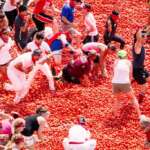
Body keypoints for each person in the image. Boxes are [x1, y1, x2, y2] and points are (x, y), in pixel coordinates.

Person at [112, 50, 141, 118]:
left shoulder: (115, 62)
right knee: (133, 98)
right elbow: (130, 75)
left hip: (115, 82)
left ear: (118, 56)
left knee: (118, 99)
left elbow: (114, 73)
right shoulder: (128, 62)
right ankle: (139, 115)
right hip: (124, 82)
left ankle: (115, 115)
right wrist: (129, 84)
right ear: (125, 56)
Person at [132, 28, 150, 102]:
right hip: (137, 71)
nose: (146, 39)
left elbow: (142, 34)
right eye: (145, 38)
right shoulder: (138, 45)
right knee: (144, 86)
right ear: (140, 38)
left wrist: (145, 30)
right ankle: (140, 100)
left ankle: (134, 80)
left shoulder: (141, 44)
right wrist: (140, 31)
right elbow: (139, 36)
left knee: (148, 78)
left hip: (141, 68)